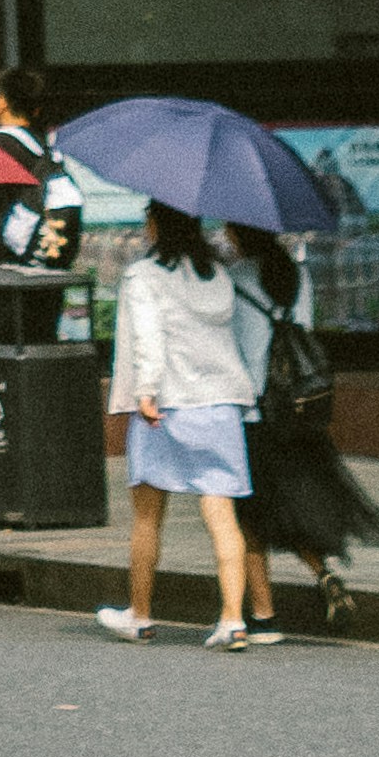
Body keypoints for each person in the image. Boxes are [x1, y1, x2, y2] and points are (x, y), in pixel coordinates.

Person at [100, 205, 268, 645]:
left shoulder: (145, 276)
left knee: (147, 517)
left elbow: (148, 338)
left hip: (169, 404)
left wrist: (146, 393)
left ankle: (140, 614)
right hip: (221, 405)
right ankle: (233, 619)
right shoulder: (218, 276)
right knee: (222, 514)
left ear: (156, 226)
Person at [229, 226, 379, 636]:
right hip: (299, 412)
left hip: (256, 415)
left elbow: (235, 348)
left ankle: (264, 615)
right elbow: (303, 330)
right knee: (294, 505)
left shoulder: (236, 279)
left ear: (240, 234)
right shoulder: (297, 275)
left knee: (251, 518)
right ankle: (323, 573)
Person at [0, 68, 82, 277]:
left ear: (2, 102)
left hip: (5, 270)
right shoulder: (46, 147)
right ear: (35, 109)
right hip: (45, 268)